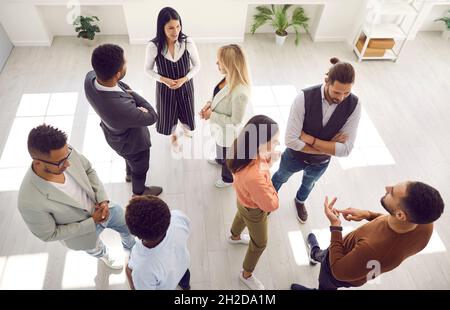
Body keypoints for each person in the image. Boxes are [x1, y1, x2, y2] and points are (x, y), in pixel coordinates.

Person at [18, 124, 135, 269]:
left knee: (128, 228)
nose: (68, 163)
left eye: (67, 156)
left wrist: (103, 200)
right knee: (95, 249)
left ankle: (132, 250)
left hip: (106, 208)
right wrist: (92, 222)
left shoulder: (64, 152)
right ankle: (104, 255)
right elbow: (50, 234)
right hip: (81, 233)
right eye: (61, 162)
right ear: (38, 163)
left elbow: (88, 169)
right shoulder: (28, 201)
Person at [291, 181, 444, 290]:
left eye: (392, 192)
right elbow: (393, 221)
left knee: (327, 282)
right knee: (327, 253)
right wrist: (369, 215)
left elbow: (338, 270)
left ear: (400, 214)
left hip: (339, 270)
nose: (387, 187)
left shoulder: (373, 249)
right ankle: (316, 254)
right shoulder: (424, 223)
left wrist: (335, 227)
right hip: (353, 258)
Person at [272, 57, 361, 224]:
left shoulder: (355, 105)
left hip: (320, 163)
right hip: (294, 156)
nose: (341, 98)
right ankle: (267, 200)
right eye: (337, 92)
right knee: (280, 177)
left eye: (347, 93)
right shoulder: (303, 98)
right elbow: (291, 140)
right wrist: (329, 145)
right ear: (326, 81)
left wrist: (310, 139)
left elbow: (346, 150)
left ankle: (299, 201)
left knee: (308, 185)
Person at [85, 44, 162, 197]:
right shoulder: (121, 109)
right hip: (134, 145)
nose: (127, 63)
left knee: (129, 160)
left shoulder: (90, 78)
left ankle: (129, 175)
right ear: (118, 74)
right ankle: (139, 192)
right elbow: (153, 116)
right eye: (125, 62)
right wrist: (133, 94)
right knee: (140, 169)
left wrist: (128, 95)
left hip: (114, 136)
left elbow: (121, 86)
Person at [226, 115, 281, 290]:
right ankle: (246, 274)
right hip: (255, 210)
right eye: (274, 141)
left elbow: (258, 168)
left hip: (242, 198)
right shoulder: (255, 176)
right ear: (259, 142)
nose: (276, 145)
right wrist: (272, 187)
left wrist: (270, 159)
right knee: (260, 243)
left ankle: (234, 236)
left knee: (241, 215)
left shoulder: (240, 148)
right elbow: (271, 205)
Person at [145, 7, 201, 148]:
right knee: (168, 115)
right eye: (170, 28)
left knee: (186, 111)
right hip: (165, 89)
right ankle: (174, 134)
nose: (175, 31)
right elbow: (148, 69)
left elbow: (197, 65)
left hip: (185, 86)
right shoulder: (153, 46)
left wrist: (185, 79)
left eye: (178, 26)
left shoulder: (187, 42)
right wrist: (163, 79)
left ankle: (183, 127)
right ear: (162, 27)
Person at [200, 44, 251, 188]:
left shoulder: (240, 93)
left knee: (228, 157)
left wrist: (211, 115)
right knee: (219, 147)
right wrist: (209, 104)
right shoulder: (227, 77)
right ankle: (218, 159)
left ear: (229, 64)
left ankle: (227, 179)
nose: (217, 63)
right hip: (219, 130)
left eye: (220, 60)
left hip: (228, 134)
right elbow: (218, 96)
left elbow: (235, 122)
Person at [125, 195, 191, 290]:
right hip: (183, 265)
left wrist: (127, 270)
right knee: (185, 280)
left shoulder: (142, 268)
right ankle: (186, 287)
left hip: (166, 286)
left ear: (137, 235)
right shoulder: (177, 218)